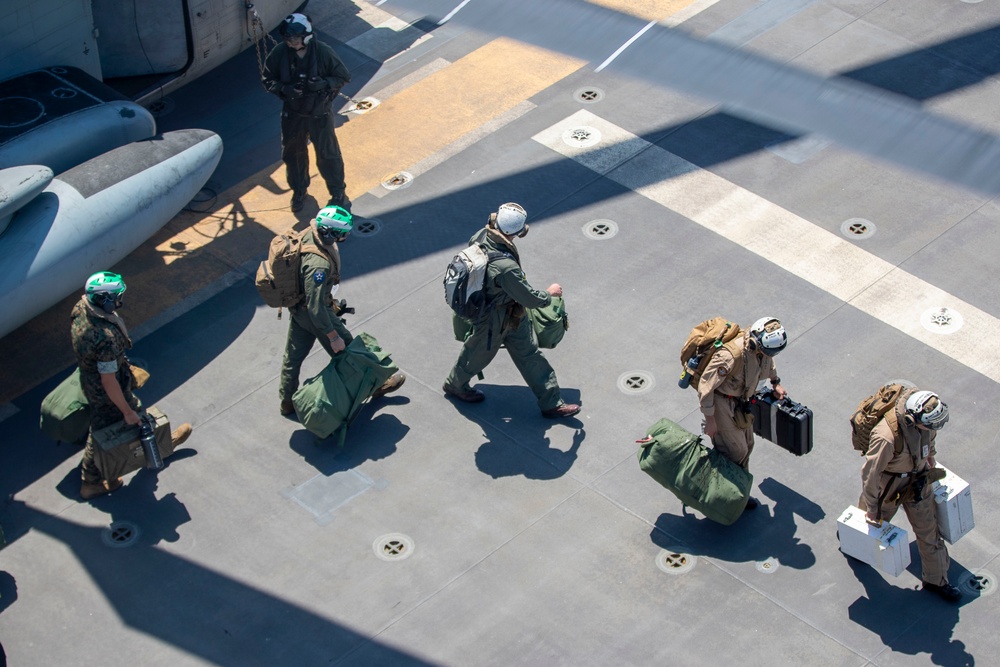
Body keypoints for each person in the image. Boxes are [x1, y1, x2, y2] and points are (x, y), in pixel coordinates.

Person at [443, 203, 581, 418]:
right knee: (478, 354)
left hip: (511, 315)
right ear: (518, 232)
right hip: (493, 320)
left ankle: (551, 402)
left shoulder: (480, 235)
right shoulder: (506, 267)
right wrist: (550, 294)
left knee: (530, 354)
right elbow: (529, 298)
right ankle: (455, 384)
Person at [71, 272, 192, 500]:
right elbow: (109, 380)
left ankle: (90, 480)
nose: (119, 302)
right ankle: (160, 447)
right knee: (135, 418)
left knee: (99, 426)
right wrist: (126, 411)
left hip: (90, 378)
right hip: (106, 387)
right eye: (116, 297)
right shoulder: (104, 337)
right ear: (104, 300)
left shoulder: (81, 308)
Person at [279, 206, 405, 416]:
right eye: (341, 234)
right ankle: (376, 385)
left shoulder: (308, 235)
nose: (344, 237)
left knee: (292, 358)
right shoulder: (319, 265)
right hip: (316, 314)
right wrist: (332, 335)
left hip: (298, 310)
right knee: (350, 352)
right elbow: (316, 306)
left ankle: (286, 401)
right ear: (329, 232)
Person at [859, 388, 961, 602]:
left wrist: (930, 456)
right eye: (930, 425)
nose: (934, 428)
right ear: (912, 419)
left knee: (929, 532)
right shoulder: (886, 436)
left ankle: (936, 580)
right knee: (868, 525)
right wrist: (871, 507)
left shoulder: (928, 419)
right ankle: (855, 542)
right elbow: (870, 473)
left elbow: (930, 437)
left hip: (918, 478)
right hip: (889, 485)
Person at [262, 13, 352, 213]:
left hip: (319, 113)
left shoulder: (323, 52)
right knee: (293, 154)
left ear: (306, 35)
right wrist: (285, 90)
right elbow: (268, 79)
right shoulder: (280, 53)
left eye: (295, 38)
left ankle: (337, 191)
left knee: (328, 154)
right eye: (288, 38)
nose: (291, 42)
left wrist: (324, 83)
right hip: (293, 114)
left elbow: (343, 76)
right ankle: (299, 189)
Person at [697, 317, 788, 509]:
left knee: (747, 445)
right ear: (756, 341)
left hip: (740, 402)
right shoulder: (730, 356)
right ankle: (719, 495)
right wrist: (711, 420)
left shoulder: (762, 350)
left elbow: (768, 363)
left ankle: (738, 493)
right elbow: (705, 388)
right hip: (721, 402)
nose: (768, 354)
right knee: (735, 450)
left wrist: (775, 382)